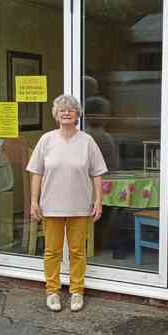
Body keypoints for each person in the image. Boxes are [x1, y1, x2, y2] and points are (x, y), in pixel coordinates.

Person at [27, 94, 107, 312]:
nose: (66, 113)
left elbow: (98, 173)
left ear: (77, 114)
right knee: (52, 251)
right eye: (62, 110)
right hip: (51, 206)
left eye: (70, 109)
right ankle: (52, 291)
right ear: (56, 114)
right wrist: (34, 201)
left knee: (77, 251)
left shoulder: (87, 141)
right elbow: (36, 172)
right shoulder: (47, 140)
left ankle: (76, 291)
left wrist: (98, 201)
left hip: (80, 206)